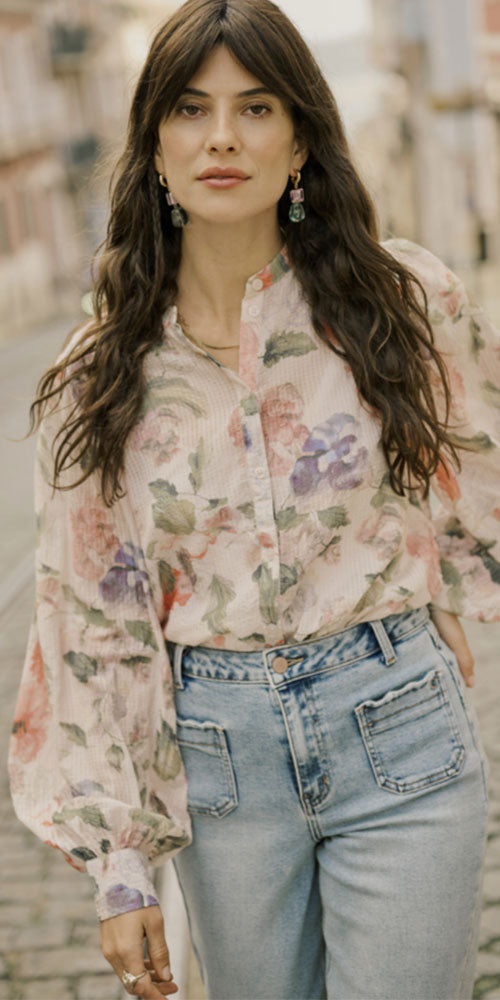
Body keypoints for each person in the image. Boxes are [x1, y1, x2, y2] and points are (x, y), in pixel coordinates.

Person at [8, 0, 499, 997]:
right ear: (150, 144)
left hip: (395, 717)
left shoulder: (405, 302)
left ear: (300, 139)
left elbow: (474, 466)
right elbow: (88, 626)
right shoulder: (93, 379)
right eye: (189, 109)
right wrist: (118, 865)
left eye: (256, 107)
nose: (221, 136)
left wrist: (443, 584)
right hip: (218, 763)